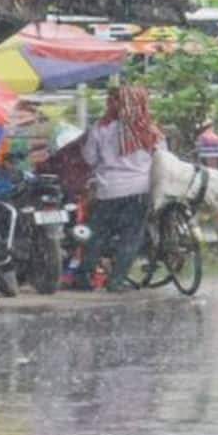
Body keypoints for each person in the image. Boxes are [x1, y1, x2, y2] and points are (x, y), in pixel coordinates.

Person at [81, 86, 159, 292]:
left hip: (108, 190)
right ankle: (116, 280)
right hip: (138, 190)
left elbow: (89, 158)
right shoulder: (150, 130)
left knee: (97, 236)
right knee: (131, 238)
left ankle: (84, 277)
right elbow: (161, 157)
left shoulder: (101, 128)